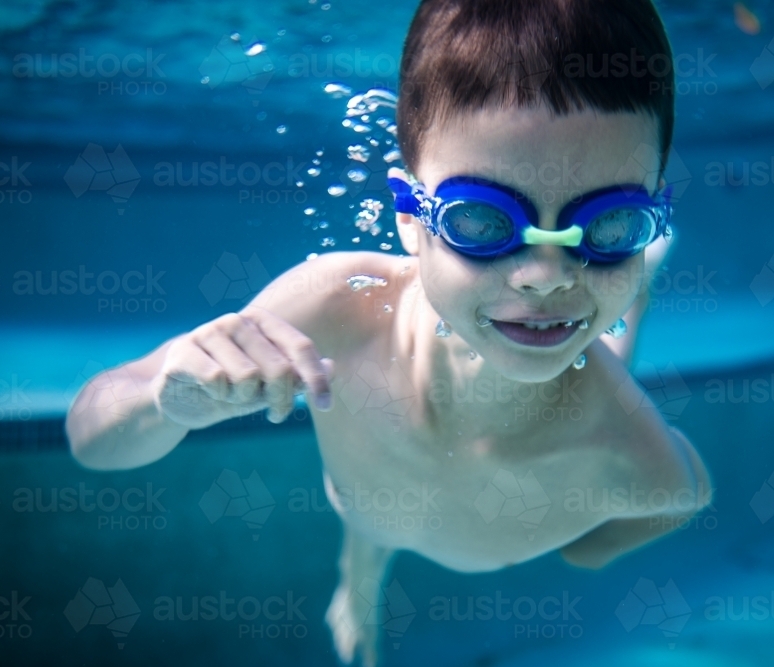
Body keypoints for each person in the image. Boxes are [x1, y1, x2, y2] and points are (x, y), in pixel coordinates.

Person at [66, 1, 712, 664]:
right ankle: (360, 573)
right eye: (483, 221)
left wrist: (588, 549)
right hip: (370, 506)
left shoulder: (635, 458)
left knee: (605, 350)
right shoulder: (336, 309)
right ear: (408, 217)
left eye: (613, 228)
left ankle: (642, 280)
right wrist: (159, 398)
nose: (545, 276)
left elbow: (688, 495)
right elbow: (89, 436)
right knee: (373, 521)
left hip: (463, 478)